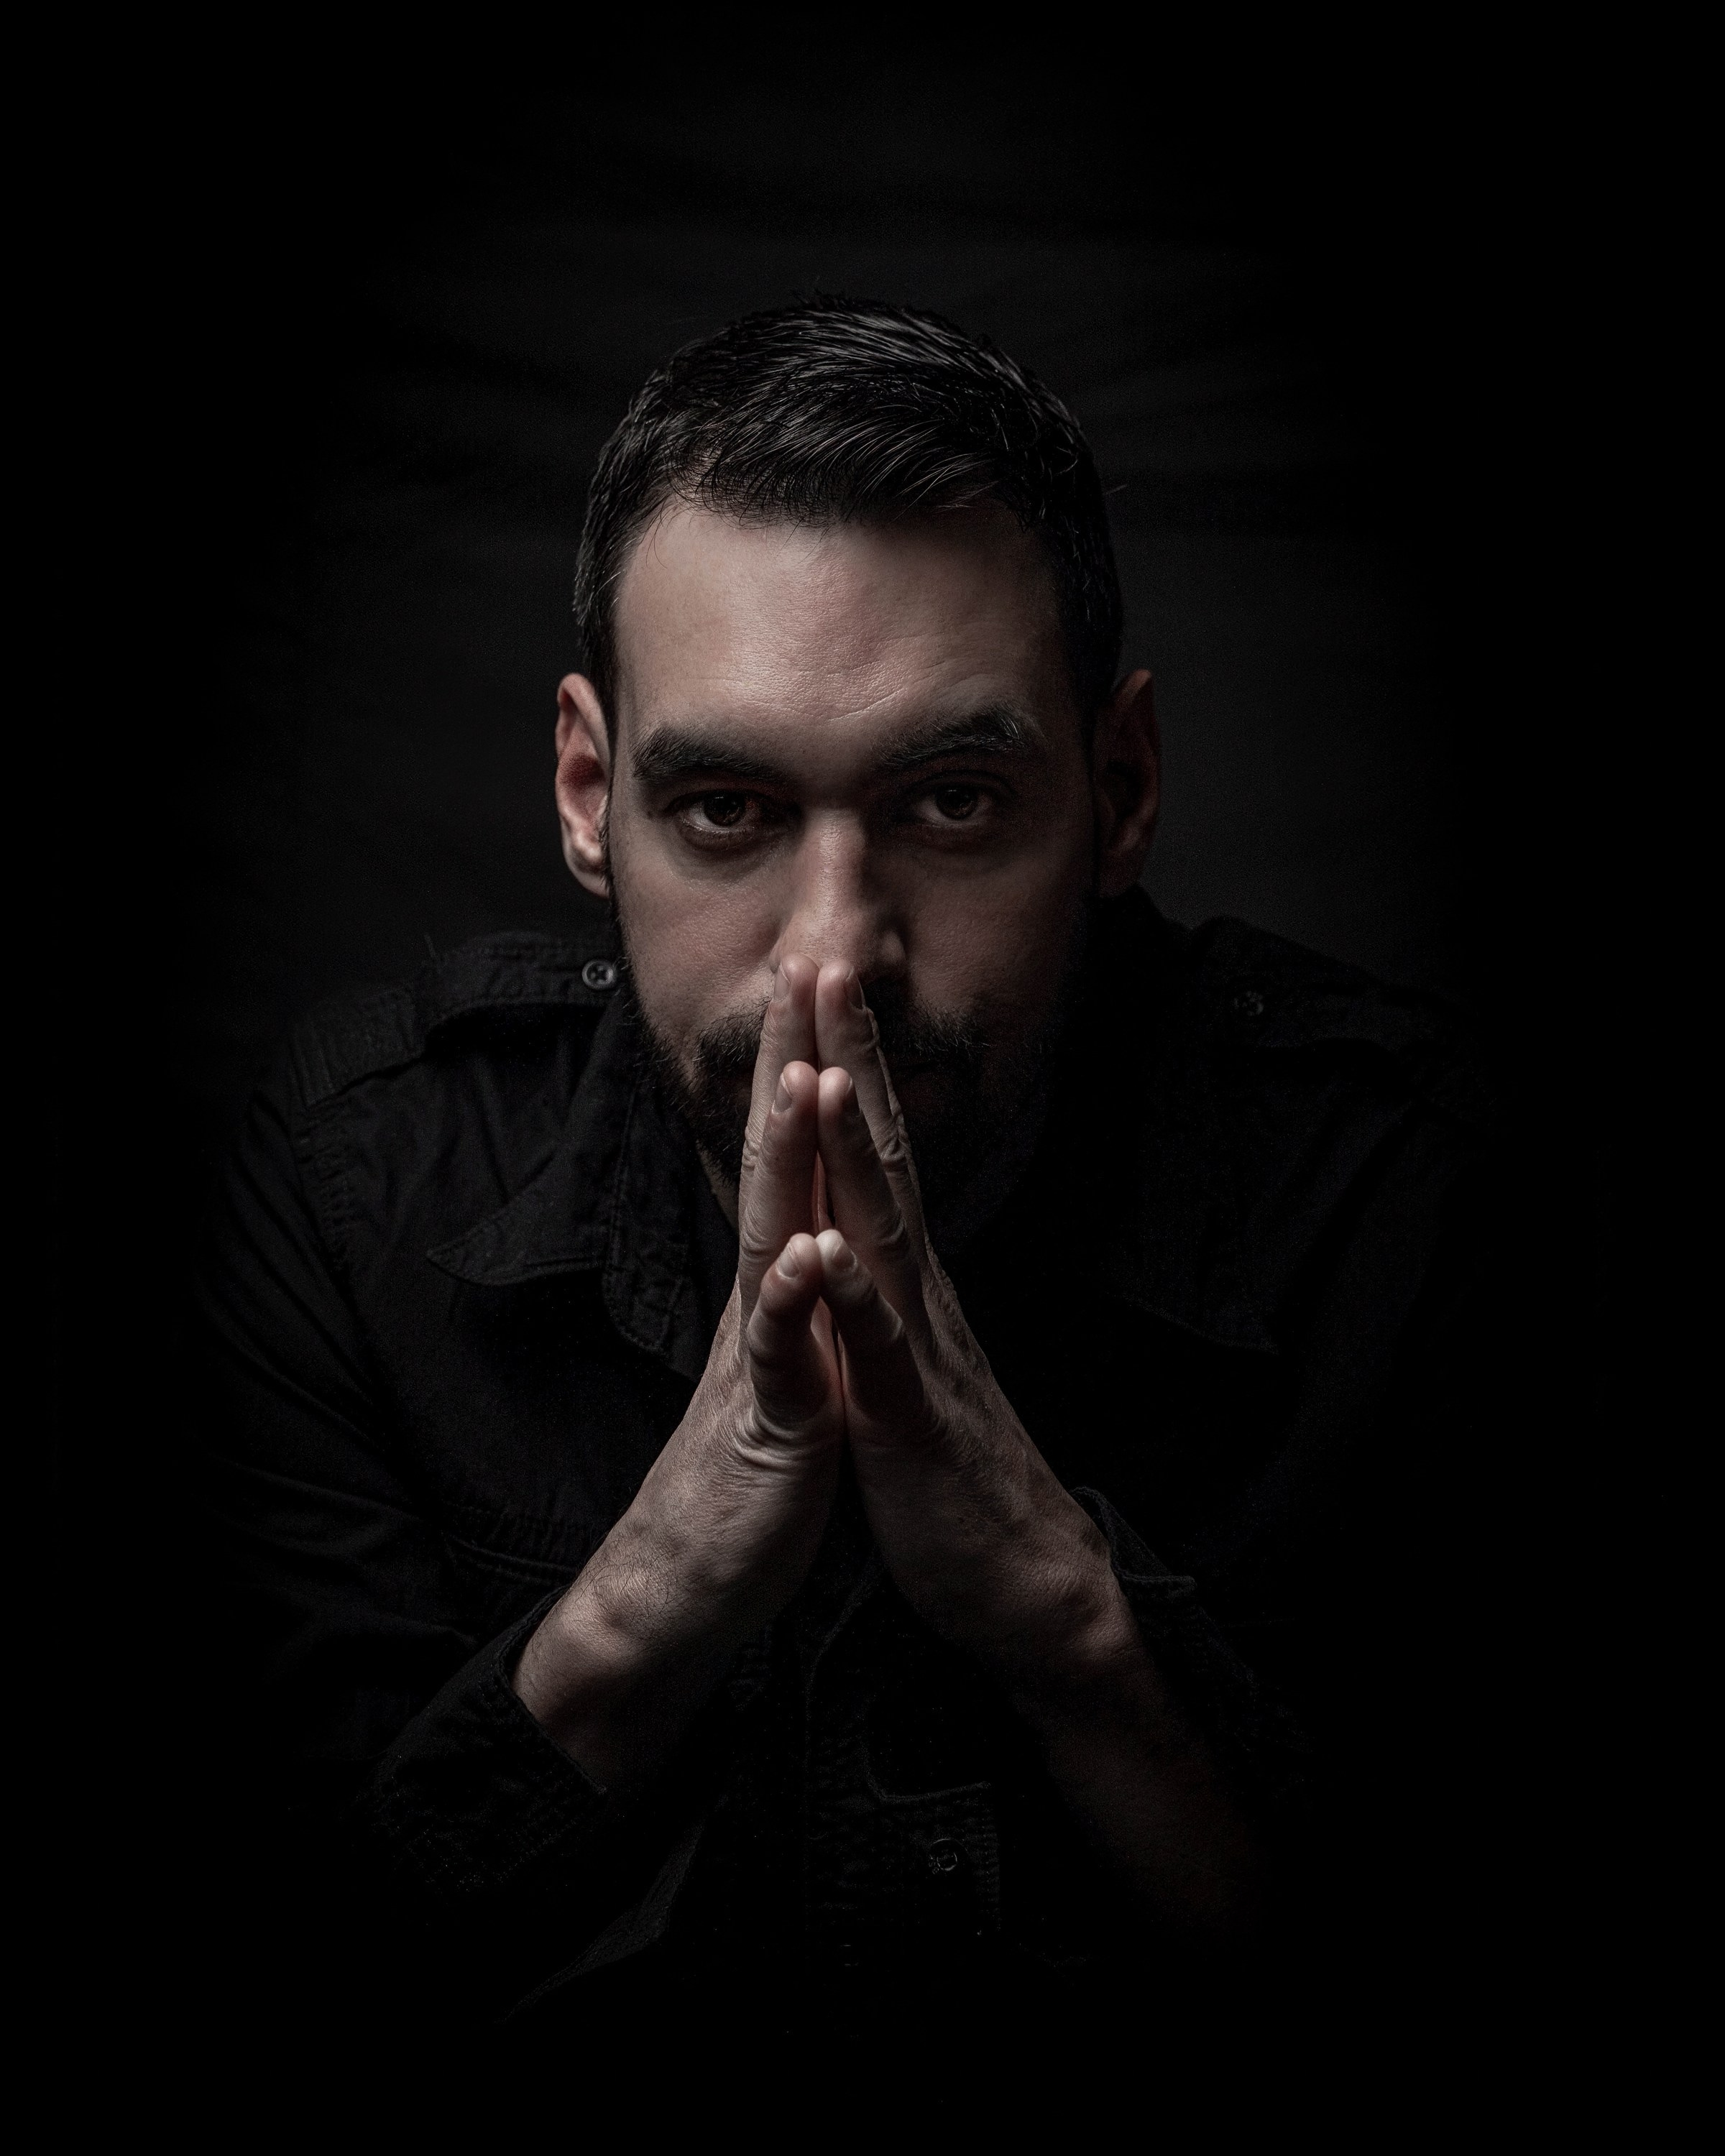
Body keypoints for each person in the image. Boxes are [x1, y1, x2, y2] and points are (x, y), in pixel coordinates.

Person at [195, 298, 1495, 2078]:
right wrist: (671, 1573)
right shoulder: (361, 1189)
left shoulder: (1397, 1196)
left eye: (953, 802)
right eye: (724, 807)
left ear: (1120, 791)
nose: (834, 953)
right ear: (589, 795)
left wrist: (1057, 1602)